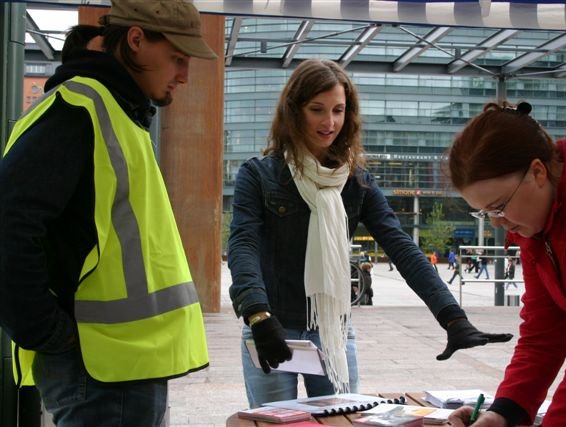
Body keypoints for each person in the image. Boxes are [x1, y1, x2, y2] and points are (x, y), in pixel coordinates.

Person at [227, 58, 513, 408]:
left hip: (331, 330)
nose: (329, 122)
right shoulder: (259, 175)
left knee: (343, 419)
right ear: (294, 111)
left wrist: (452, 316)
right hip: (271, 326)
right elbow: (243, 244)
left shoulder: (357, 181)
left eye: (338, 110)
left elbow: (400, 246)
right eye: (317, 109)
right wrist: (257, 313)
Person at [0, 1, 216, 425]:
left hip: (118, 365)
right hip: (98, 370)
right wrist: (45, 332)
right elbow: (8, 223)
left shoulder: (117, 112)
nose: (185, 75)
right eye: (177, 58)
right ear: (136, 40)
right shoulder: (80, 112)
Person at [446, 101, 566, 426]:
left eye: (500, 206)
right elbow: (544, 333)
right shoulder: (536, 226)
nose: (497, 223)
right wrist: (503, 412)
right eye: (485, 213)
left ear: (538, 172)